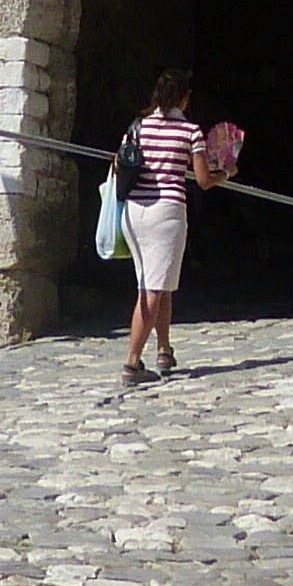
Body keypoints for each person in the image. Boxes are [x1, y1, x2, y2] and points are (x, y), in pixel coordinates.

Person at [118, 68, 205, 389]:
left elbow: (119, 163)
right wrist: (229, 171)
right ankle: (131, 361)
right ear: (184, 98)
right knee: (153, 289)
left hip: (134, 213)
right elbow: (205, 180)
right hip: (166, 214)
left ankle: (164, 350)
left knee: (159, 281)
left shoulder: (138, 127)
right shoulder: (191, 132)